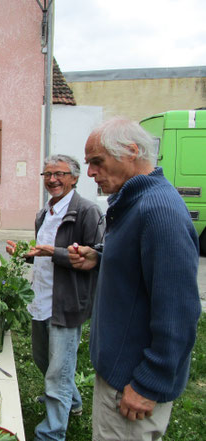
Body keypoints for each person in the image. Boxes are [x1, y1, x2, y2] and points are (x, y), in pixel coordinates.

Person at [68, 117, 201, 441]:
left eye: (97, 162)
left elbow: (179, 311)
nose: (89, 173)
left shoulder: (158, 211)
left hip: (131, 386)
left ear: (131, 152)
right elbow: (139, 269)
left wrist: (149, 383)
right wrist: (100, 257)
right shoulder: (136, 202)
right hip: (118, 374)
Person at [7, 154, 104, 441]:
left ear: (74, 177)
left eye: (59, 174)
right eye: (47, 174)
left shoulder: (87, 211)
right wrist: (28, 255)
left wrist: (55, 252)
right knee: (44, 361)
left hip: (67, 302)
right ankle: (70, 401)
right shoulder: (43, 213)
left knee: (58, 371)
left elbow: (95, 255)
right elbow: (43, 258)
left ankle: (51, 433)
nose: (52, 180)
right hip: (41, 299)